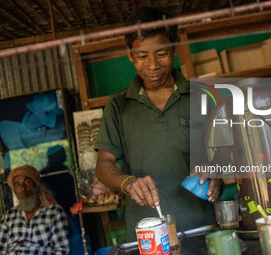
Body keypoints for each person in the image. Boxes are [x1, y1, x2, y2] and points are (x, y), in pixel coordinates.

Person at [94, 5, 221, 242]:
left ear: (174, 50)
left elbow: (226, 156)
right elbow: (103, 165)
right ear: (130, 54)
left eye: (161, 54)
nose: (152, 65)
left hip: (202, 230)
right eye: (142, 56)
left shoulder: (202, 97)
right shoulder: (119, 105)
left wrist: (217, 172)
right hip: (148, 233)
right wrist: (128, 183)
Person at [0, 165, 70, 255]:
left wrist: (25, 244)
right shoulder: (8, 216)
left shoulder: (54, 213)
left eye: (27, 182)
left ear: (36, 185)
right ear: (14, 190)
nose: (23, 188)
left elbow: (61, 250)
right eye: (17, 184)